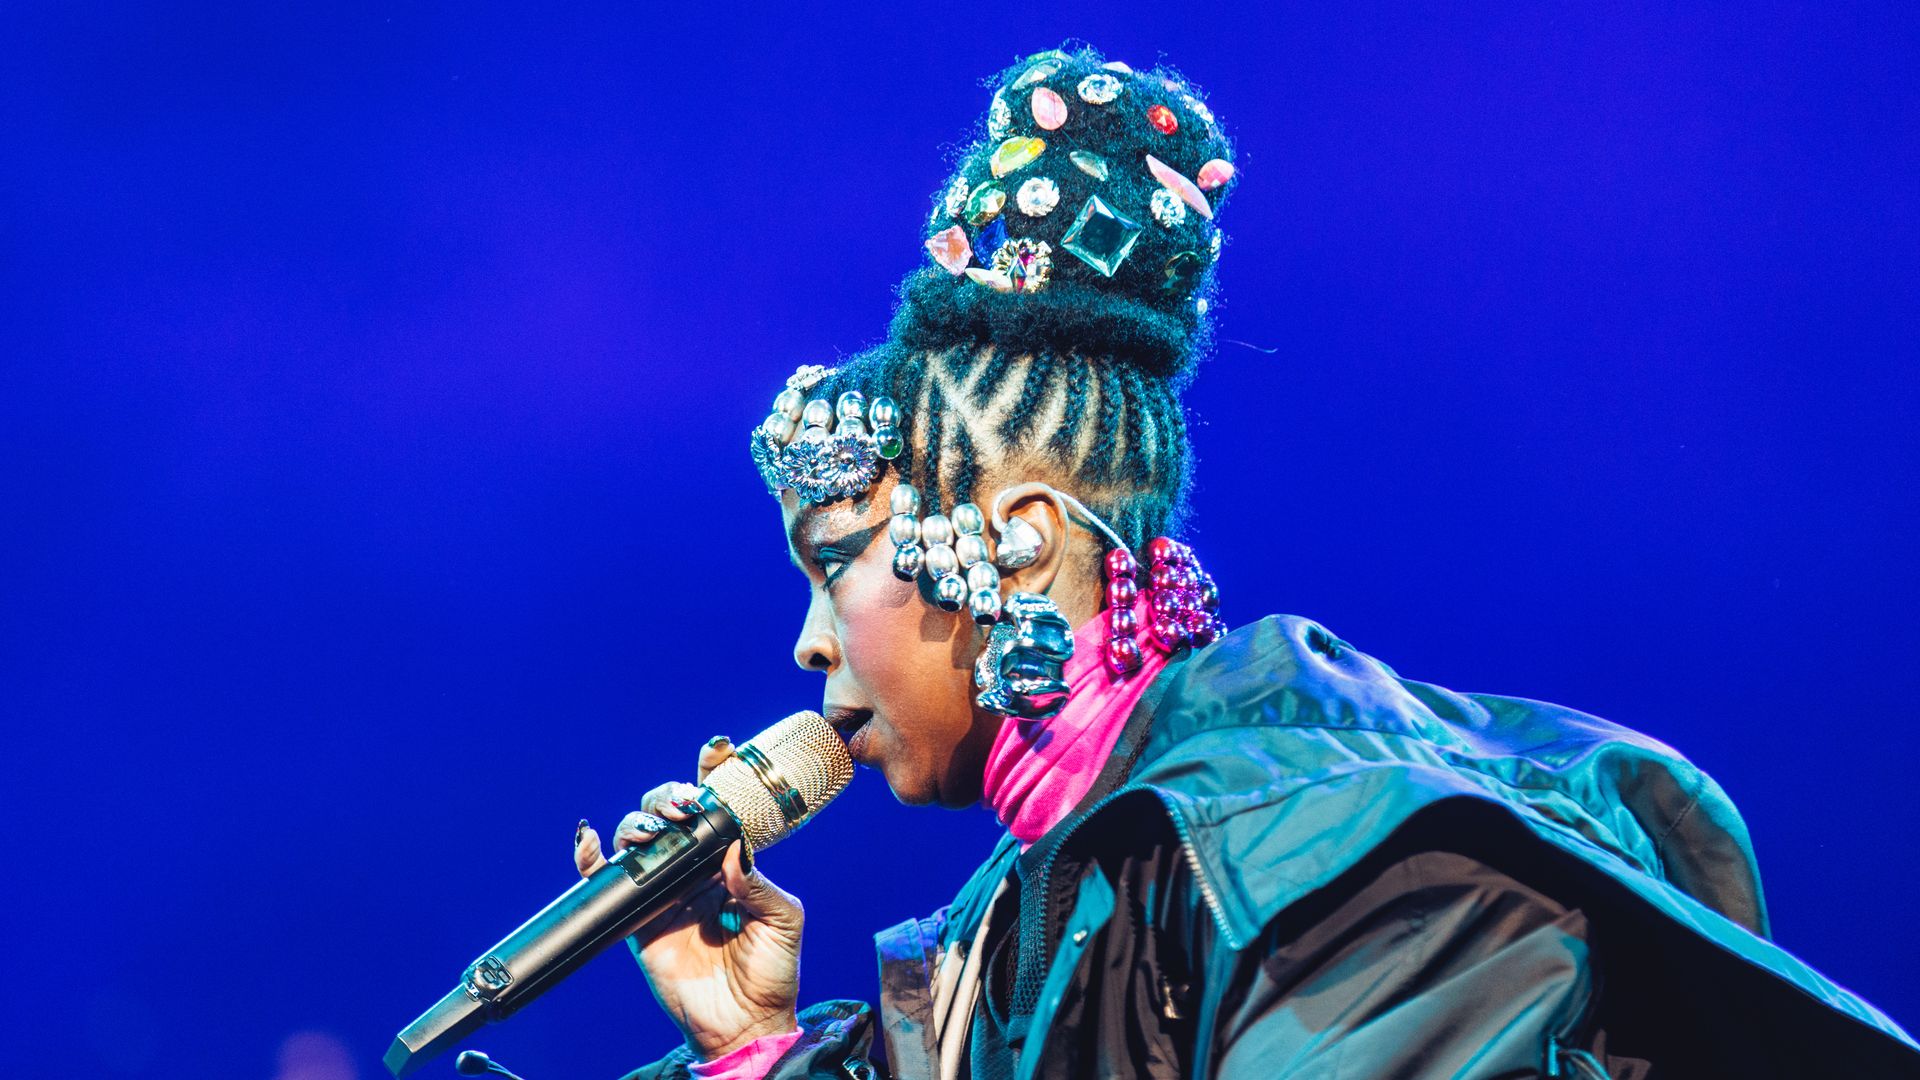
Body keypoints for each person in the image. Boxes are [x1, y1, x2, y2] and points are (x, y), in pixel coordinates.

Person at [573, 46, 1920, 1078]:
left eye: (838, 563)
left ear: (1020, 538)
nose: (810, 644)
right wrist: (750, 1044)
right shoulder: (1010, 928)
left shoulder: (1346, 856)